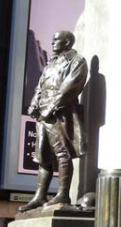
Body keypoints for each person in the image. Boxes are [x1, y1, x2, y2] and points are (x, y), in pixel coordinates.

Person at [18, 31, 89, 212]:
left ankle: (63, 194)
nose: (53, 41)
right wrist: (34, 103)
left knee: (62, 153)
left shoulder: (77, 61)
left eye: (56, 39)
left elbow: (70, 86)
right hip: (43, 113)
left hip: (60, 113)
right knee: (43, 155)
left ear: (67, 42)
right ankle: (40, 196)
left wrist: (53, 106)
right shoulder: (52, 62)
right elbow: (40, 85)